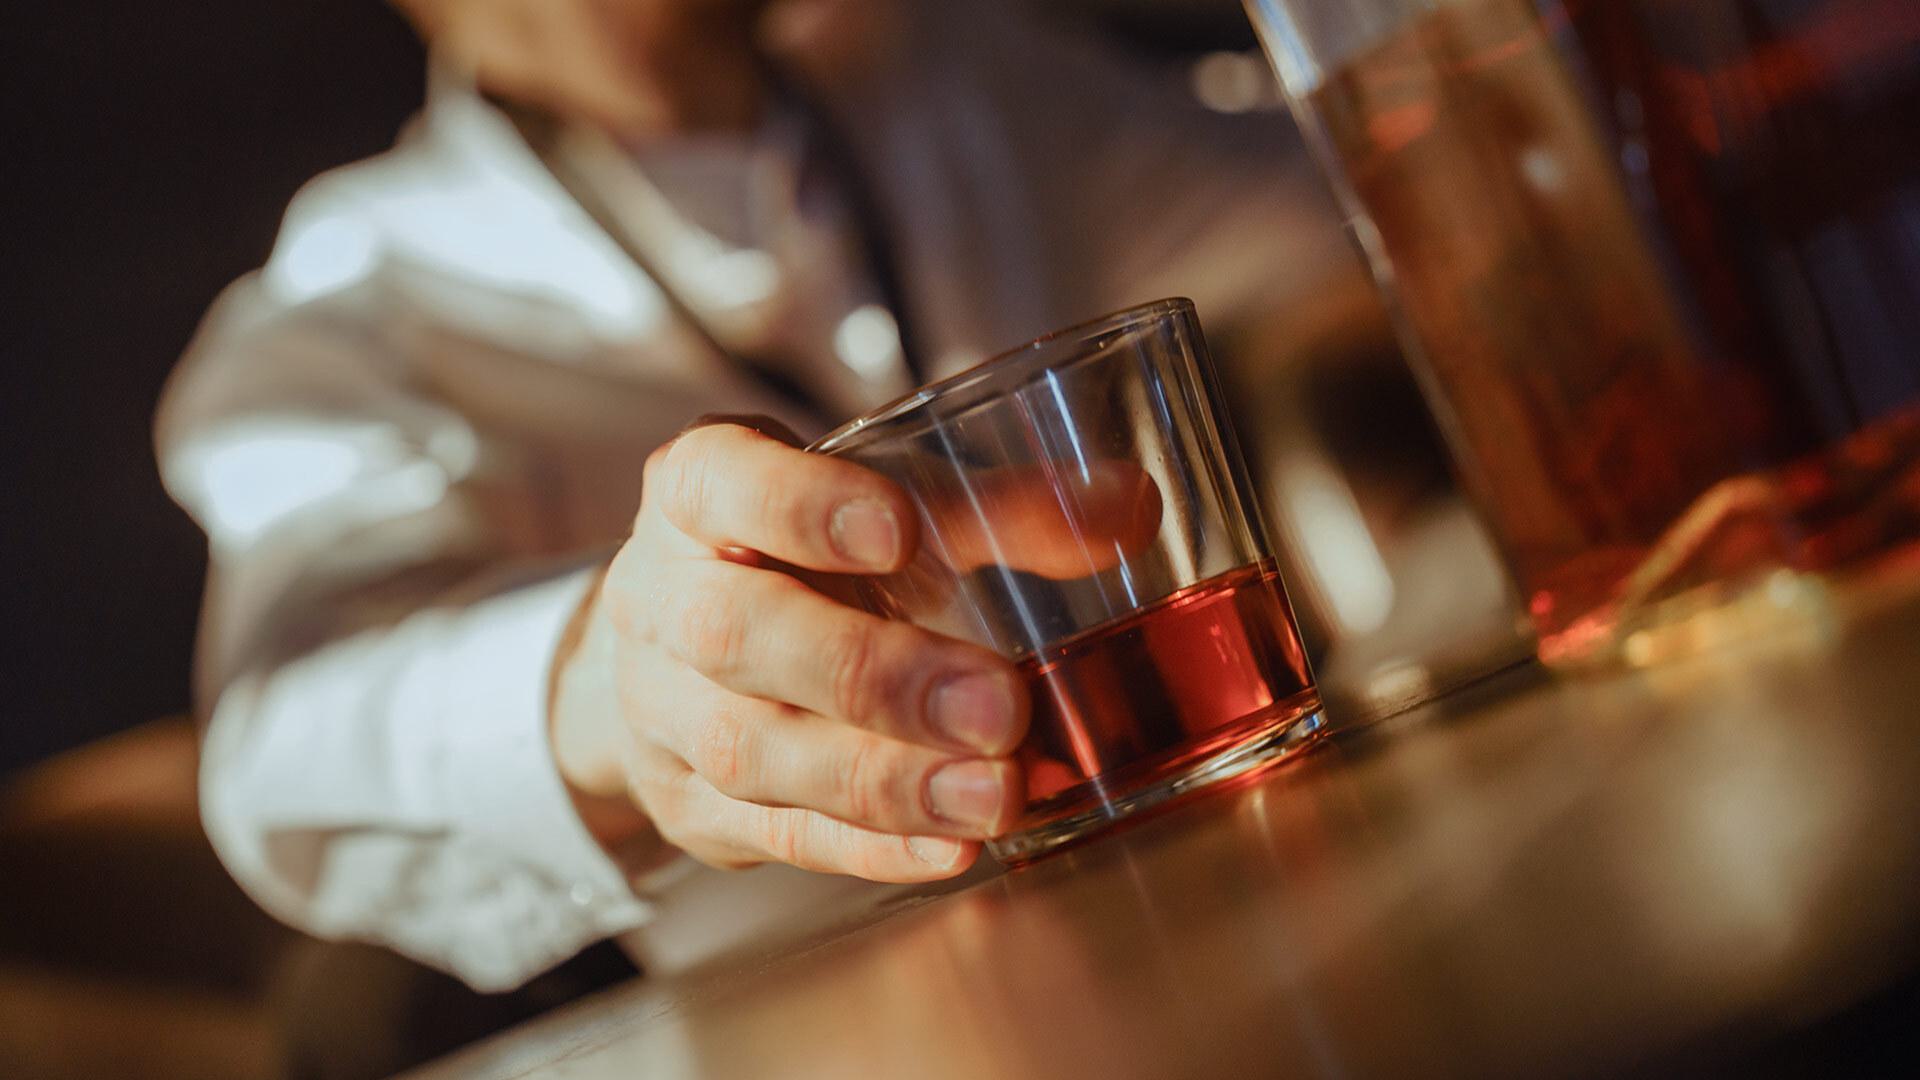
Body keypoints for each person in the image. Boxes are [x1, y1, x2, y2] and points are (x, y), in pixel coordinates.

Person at [158, 0, 1360, 995]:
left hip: (1248, 905)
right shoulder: (342, 320)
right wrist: (617, 685)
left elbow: (1353, 160)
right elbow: (285, 738)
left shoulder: (951, 77)